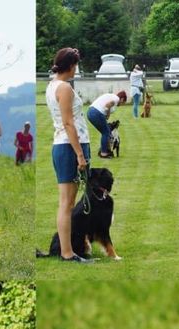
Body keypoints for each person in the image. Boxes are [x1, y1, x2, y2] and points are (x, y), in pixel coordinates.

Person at [46, 47, 92, 263]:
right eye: (76, 65)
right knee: (67, 203)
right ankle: (67, 252)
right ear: (71, 65)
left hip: (66, 145)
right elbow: (68, 123)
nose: (77, 69)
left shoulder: (52, 85)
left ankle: (74, 247)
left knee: (70, 202)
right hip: (69, 146)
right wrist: (80, 156)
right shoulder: (63, 88)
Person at [88, 90, 125, 158]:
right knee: (106, 132)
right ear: (122, 99)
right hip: (96, 112)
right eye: (123, 102)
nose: (122, 104)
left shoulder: (111, 96)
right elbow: (108, 105)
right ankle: (103, 153)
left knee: (105, 132)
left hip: (90, 112)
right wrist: (108, 115)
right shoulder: (116, 99)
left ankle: (103, 150)